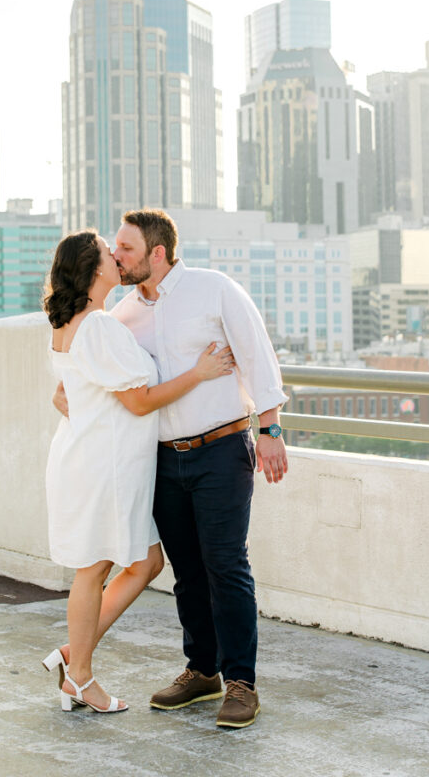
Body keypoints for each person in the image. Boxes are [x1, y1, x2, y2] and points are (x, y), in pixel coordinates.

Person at [102, 208, 287, 728]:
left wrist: (270, 429)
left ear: (157, 253)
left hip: (222, 450)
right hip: (162, 460)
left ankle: (241, 683)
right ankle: (201, 670)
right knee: (187, 571)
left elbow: (256, 354)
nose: (117, 256)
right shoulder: (123, 315)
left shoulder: (213, 288)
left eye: (127, 249)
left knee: (226, 565)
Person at [42, 229, 235, 714]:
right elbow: (139, 400)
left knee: (146, 562)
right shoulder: (99, 326)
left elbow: (74, 387)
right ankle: (80, 678)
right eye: (111, 253)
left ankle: (73, 655)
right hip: (103, 467)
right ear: (94, 270)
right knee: (94, 570)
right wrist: (199, 374)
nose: (118, 257)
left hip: (99, 459)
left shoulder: (75, 322)